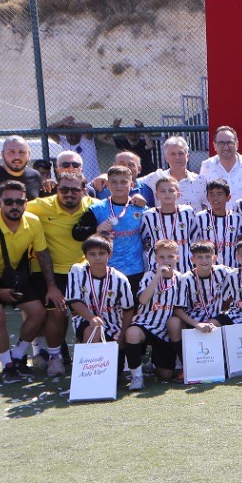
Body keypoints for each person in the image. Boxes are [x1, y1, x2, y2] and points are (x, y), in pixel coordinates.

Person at [0, 179, 55, 382]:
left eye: (19, 202)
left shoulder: (33, 221)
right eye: (9, 202)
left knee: (38, 312)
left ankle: (17, 355)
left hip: (11, 276)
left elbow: (43, 255)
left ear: (26, 203)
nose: (15, 206)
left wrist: (51, 287)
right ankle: (7, 366)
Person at [26, 171, 93, 376]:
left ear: (84, 191)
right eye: (64, 189)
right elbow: (9, 208)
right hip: (50, 271)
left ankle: (91, 358)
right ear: (57, 189)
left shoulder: (94, 206)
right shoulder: (40, 206)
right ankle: (55, 357)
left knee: (93, 312)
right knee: (57, 311)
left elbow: (120, 206)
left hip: (82, 270)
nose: (69, 194)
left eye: (74, 190)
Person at [125, 239, 191, 389]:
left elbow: (179, 308)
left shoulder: (181, 279)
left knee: (165, 375)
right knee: (132, 333)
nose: (166, 260)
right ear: (156, 259)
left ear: (177, 258)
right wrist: (157, 277)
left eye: (170, 256)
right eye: (162, 257)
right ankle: (137, 377)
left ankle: (155, 363)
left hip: (164, 330)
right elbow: (142, 300)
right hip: (145, 324)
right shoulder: (149, 276)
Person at [74, 165, 148, 291]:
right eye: (114, 182)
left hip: (135, 269)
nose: (119, 186)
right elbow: (77, 233)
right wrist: (96, 230)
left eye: (123, 182)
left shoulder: (140, 208)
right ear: (107, 185)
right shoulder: (97, 208)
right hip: (106, 269)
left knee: (133, 302)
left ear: (131, 185)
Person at [64, 235, 136, 346]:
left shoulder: (120, 279)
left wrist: (122, 337)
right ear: (86, 256)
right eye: (92, 254)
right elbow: (74, 301)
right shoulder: (77, 271)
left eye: (102, 253)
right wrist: (92, 318)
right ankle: (86, 356)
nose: (97, 258)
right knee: (94, 329)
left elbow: (128, 310)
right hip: (85, 320)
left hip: (113, 326)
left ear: (109, 255)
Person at [0, 136, 43, 209]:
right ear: (2, 154)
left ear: (29, 154)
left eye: (22, 152)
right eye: (11, 152)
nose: (17, 157)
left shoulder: (35, 176)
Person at [199, 126, 242, 201]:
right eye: (221, 143)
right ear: (214, 145)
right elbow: (203, 197)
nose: (226, 147)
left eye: (229, 143)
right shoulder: (207, 166)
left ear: (237, 144)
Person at [193, 179, 241, 265]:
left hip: (232, 267)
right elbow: (194, 243)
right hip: (207, 267)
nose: (215, 198)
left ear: (228, 197)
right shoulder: (200, 217)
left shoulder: (237, 218)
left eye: (219, 194)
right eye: (211, 194)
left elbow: (241, 243)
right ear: (207, 198)